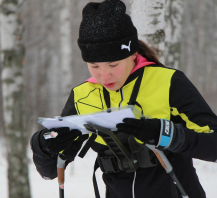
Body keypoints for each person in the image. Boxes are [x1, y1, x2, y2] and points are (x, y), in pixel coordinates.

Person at [30, 0, 217, 197]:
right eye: (94, 66)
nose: (104, 76)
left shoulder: (168, 82)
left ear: (132, 54)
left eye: (113, 65)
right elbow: (49, 171)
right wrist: (43, 146)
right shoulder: (83, 95)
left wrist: (165, 134)